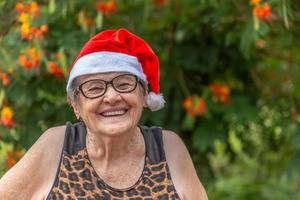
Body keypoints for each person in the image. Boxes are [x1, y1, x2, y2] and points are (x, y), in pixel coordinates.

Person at [0, 28, 208, 200]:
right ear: (76, 105)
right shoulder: (56, 146)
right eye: (94, 88)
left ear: (144, 95)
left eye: (124, 84)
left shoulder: (168, 149)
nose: (111, 97)